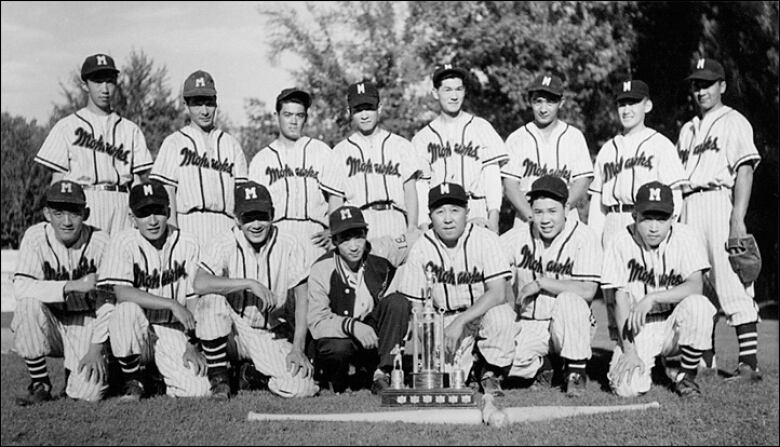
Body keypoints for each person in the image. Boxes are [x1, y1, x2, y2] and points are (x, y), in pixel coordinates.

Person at [676, 58, 763, 380]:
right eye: (697, 85)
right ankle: (705, 361)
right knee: (697, 283)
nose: (701, 90)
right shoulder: (687, 130)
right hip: (688, 204)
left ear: (722, 86)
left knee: (731, 279)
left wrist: (737, 219)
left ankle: (749, 363)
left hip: (717, 201)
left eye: (708, 84)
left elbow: (744, 170)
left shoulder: (733, 121)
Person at [192, 181, 319, 398]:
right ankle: (220, 378)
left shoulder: (289, 243)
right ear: (236, 219)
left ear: (273, 214)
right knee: (211, 300)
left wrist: (298, 348)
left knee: (302, 387)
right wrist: (250, 283)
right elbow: (200, 283)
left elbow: (302, 299)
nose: (256, 224)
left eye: (262, 216)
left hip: (265, 333)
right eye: (248, 217)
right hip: (230, 331)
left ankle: (249, 375)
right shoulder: (224, 241)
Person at [396, 183, 514, 395]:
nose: (448, 218)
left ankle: (490, 371)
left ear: (467, 212)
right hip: (445, 322)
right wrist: (432, 346)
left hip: (482, 315)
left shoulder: (486, 239)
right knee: (447, 378)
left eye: (455, 210)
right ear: (430, 215)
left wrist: (461, 321)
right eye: (440, 211)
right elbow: (417, 308)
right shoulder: (421, 247)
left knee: (503, 317)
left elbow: (498, 293)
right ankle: (475, 365)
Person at [99, 181, 212, 399]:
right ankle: (133, 380)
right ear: (132, 217)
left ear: (168, 212)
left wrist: (192, 344)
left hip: (171, 329)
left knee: (199, 391)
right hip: (135, 329)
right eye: (143, 213)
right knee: (126, 310)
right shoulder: (123, 241)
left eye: (158, 212)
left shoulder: (187, 242)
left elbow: (193, 299)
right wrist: (171, 303)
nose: (152, 221)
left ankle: (156, 378)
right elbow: (122, 292)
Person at [604, 181, 715, 398]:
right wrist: (629, 351)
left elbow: (695, 285)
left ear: (673, 218)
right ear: (634, 215)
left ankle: (687, 376)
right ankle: (655, 364)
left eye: (661, 219)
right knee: (627, 388)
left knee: (699, 306)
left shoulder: (686, 237)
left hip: (675, 321)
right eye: (647, 218)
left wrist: (653, 298)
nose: (654, 227)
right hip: (638, 326)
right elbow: (619, 299)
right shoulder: (618, 242)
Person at [11, 180, 112, 405]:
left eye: (74, 213)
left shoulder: (101, 241)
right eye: (58, 213)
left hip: (86, 321)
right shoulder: (35, 237)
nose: (66, 222)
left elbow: (109, 301)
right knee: (28, 305)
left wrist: (97, 346)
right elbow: (21, 287)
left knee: (88, 394)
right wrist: (70, 286)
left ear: (85, 213)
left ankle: (83, 374)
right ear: (47, 213)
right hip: (51, 321)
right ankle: (40, 383)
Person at [500, 175, 601, 397]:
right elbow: (488, 260)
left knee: (570, 299)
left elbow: (588, 290)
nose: (545, 219)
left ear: (566, 208)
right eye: (539, 212)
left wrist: (542, 283)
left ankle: (575, 371)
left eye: (552, 211)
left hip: (572, 324)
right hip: (530, 323)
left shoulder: (584, 237)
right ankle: (547, 366)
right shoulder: (518, 236)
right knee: (501, 359)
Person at [34, 53, 153, 235]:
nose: (105, 89)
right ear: (84, 85)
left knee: (122, 260)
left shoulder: (130, 129)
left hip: (122, 201)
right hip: (83, 201)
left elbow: (136, 181)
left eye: (110, 81)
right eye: (97, 82)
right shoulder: (67, 126)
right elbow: (58, 180)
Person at [307, 205, 411, 394]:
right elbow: (317, 321)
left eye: (359, 236)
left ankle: (383, 373)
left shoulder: (380, 249)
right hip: (341, 336)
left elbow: (417, 238)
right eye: (345, 239)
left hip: (372, 332)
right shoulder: (321, 269)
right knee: (338, 348)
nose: (354, 246)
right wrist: (352, 326)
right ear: (335, 241)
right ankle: (337, 379)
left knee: (398, 302)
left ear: (366, 234)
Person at [149, 70, 248, 247]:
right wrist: (173, 234)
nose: (204, 111)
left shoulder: (231, 144)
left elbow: (241, 196)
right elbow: (167, 192)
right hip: (188, 223)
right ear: (187, 105)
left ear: (216, 103)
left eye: (209, 103)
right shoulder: (174, 142)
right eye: (197, 104)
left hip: (226, 226)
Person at [588, 80, 687, 248]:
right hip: (612, 220)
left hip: (647, 221)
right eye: (622, 104)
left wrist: (666, 230)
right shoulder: (607, 149)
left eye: (633, 103)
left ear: (647, 106)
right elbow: (598, 203)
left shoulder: (661, 145)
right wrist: (594, 239)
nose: (627, 110)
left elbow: (675, 195)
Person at [320, 80, 423, 240]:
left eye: (369, 108)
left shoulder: (401, 145)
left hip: (395, 218)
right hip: (358, 223)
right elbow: (336, 202)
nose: (365, 115)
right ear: (349, 111)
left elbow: (410, 192)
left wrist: (412, 228)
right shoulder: (339, 152)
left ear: (379, 108)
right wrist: (337, 234)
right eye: (358, 110)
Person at [412, 64, 509, 233]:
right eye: (448, 90)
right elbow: (421, 186)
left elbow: (492, 177)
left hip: (476, 207)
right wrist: (423, 224)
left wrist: (493, 218)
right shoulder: (423, 137)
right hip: (442, 212)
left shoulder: (481, 127)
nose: (454, 96)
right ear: (435, 93)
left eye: (459, 89)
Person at [248, 88, 332, 267]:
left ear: (306, 118)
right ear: (276, 115)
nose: (293, 121)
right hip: (277, 233)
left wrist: (334, 229)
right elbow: (252, 207)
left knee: (315, 294)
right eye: (287, 115)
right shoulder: (262, 159)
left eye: (299, 115)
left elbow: (337, 196)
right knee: (277, 293)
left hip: (315, 234)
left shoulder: (322, 151)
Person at [502, 73, 593, 226]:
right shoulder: (517, 138)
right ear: (530, 101)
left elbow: (582, 180)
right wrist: (531, 216)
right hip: (526, 215)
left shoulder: (574, 136)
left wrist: (565, 207)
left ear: (561, 103)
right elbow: (510, 185)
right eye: (538, 102)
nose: (543, 109)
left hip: (566, 214)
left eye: (550, 102)